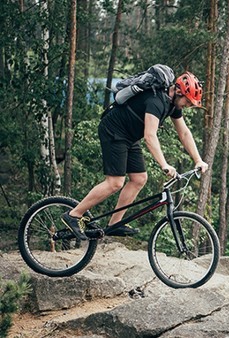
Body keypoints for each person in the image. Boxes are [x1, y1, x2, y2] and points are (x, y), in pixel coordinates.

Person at [61, 71, 209, 240]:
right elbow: (150, 136)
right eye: (187, 102)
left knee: (139, 178)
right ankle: (73, 215)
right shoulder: (156, 101)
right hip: (114, 130)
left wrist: (198, 159)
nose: (188, 106)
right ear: (178, 92)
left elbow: (184, 133)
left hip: (130, 137)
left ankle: (115, 224)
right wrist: (164, 164)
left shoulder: (172, 105)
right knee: (115, 183)